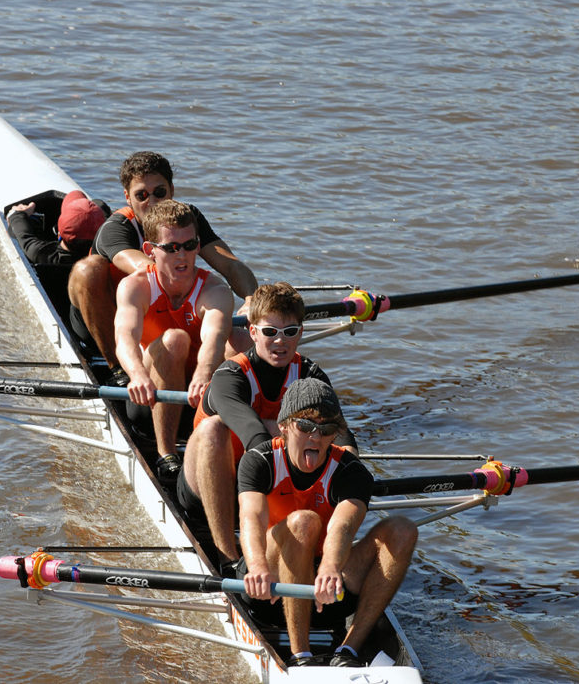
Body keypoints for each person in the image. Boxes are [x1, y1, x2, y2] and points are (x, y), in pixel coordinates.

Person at [177, 282, 358, 572]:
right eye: (270, 332)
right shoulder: (231, 376)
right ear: (252, 332)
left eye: (289, 332)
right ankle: (227, 557)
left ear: (300, 332)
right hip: (206, 487)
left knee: (332, 452)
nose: (280, 342)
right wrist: (292, 430)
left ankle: (321, 557)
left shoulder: (310, 375)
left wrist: (350, 474)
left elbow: (341, 434)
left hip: (263, 486)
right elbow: (254, 435)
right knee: (214, 430)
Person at [237, 378, 418, 668]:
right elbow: (251, 517)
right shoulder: (260, 461)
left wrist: (331, 567)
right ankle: (300, 656)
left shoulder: (351, 472)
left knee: (402, 529)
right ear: (283, 427)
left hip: (327, 588)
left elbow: (343, 525)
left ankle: (349, 649)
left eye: (326, 429)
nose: (316, 437)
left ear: (335, 435)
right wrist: (257, 567)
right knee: (303, 522)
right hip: (269, 585)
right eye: (306, 426)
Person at [68, 151, 257, 385]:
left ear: (172, 191)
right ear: (128, 197)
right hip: (108, 317)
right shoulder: (117, 227)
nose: (152, 201)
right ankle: (117, 368)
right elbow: (146, 268)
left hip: (154, 313)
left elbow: (229, 263)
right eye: (142, 195)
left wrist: (251, 300)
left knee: (238, 339)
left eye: (159, 192)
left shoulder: (186, 219)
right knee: (89, 269)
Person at [114, 199, 234, 476]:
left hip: (198, 392)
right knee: (174, 339)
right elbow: (125, 339)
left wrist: (204, 373)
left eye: (190, 245)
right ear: (150, 251)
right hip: (148, 396)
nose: (183, 255)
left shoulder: (215, 289)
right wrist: (137, 375)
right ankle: (165, 454)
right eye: (171, 248)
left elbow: (215, 337)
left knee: (238, 341)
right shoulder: (135, 287)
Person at [6, 189, 109, 266]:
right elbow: (101, 204)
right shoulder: (107, 257)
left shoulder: (42, 254)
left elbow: (23, 233)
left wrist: (19, 214)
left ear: (59, 232)